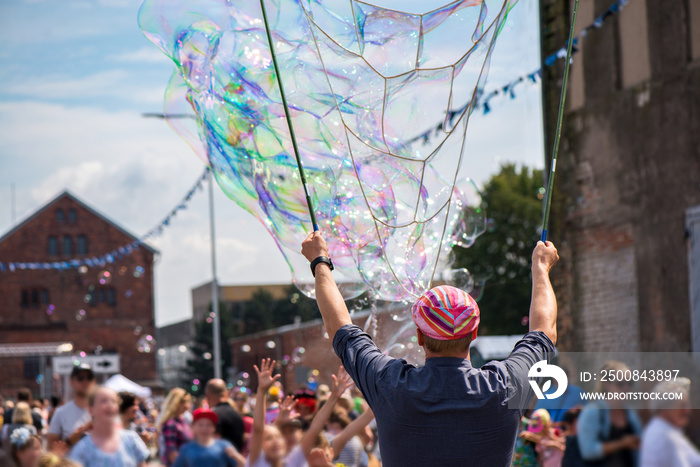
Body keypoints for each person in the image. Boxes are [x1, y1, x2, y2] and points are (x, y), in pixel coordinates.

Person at [301, 232, 559, 466]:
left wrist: (320, 262)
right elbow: (544, 332)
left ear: (420, 338)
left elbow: (342, 331)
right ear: (474, 334)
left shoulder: (390, 384)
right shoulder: (505, 385)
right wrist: (541, 267)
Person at [576, 361, 642, 466]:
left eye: (629, 382)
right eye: (620, 383)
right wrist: (622, 444)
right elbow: (588, 451)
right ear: (606, 384)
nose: (626, 388)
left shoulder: (630, 414)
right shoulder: (592, 412)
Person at [68, 386, 149, 467]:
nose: (110, 405)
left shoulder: (131, 439)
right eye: (104, 401)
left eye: (114, 401)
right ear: (91, 410)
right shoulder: (82, 450)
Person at [640, 378, 700, 466]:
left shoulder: (665, 430)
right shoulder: (666, 437)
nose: (688, 410)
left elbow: (695, 460)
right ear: (665, 408)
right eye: (682, 406)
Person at [172, 408, 245, 467]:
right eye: (200, 425)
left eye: (208, 425)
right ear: (193, 427)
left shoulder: (224, 445)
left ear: (214, 428)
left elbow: (244, 464)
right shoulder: (186, 449)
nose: (204, 428)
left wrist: (236, 456)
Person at [47, 364, 95, 450]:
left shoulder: (103, 411)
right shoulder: (60, 413)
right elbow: (50, 451)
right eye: (80, 378)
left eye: (89, 377)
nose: (85, 381)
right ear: (71, 382)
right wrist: (71, 440)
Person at [205, 379, 245, 452]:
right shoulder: (237, 415)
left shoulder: (212, 416)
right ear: (227, 394)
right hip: (236, 461)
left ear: (208, 396)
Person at [156, 388, 193, 467]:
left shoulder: (183, 421)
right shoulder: (170, 424)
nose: (188, 405)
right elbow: (172, 453)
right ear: (177, 403)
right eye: (185, 402)